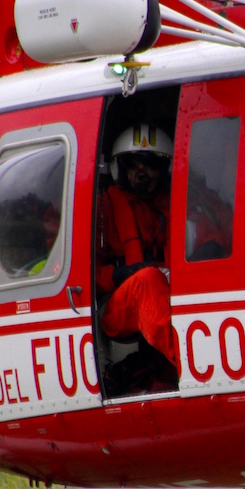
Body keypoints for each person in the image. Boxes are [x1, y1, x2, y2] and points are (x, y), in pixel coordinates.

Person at [96, 123, 179, 388]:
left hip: (173, 290)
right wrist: (117, 274)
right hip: (118, 304)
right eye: (134, 164)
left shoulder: (182, 203)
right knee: (147, 280)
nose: (142, 172)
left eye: (151, 165)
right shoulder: (102, 207)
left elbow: (216, 239)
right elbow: (78, 271)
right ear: (120, 169)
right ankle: (193, 363)